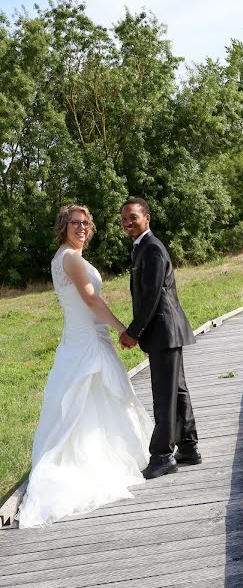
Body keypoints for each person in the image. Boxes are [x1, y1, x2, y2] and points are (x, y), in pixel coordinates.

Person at [17, 204, 153, 528]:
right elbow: (91, 299)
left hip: (79, 339)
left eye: (85, 223)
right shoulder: (71, 258)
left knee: (91, 404)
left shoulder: (62, 257)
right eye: (75, 223)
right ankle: (93, 464)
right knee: (90, 401)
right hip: (87, 340)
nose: (81, 227)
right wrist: (124, 329)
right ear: (64, 226)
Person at [119, 197, 201, 479]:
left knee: (164, 396)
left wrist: (134, 332)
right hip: (164, 332)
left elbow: (152, 296)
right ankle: (188, 447)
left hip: (164, 330)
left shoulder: (151, 248)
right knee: (176, 391)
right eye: (124, 220)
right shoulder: (141, 248)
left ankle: (162, 456)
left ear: (147, 218)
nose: (128, 223)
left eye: (133, 217)